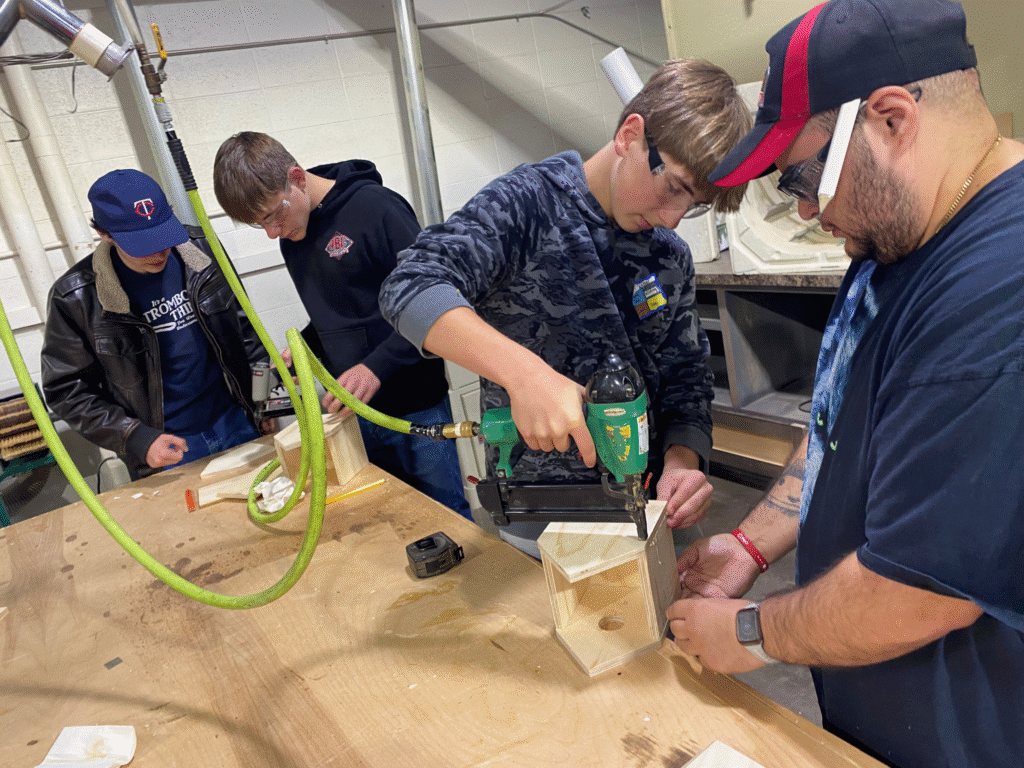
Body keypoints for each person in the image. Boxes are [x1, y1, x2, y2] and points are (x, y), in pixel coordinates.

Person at [665, 2, 1024, 767]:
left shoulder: (997, 293)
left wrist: (751, 633)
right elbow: (834, 423)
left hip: (970, 728)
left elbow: (923, 590)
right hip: (882, 703)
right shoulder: (899, 232)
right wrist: (748, 548)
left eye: (800, 174)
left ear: (891, 119)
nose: (804, 210)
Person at [378, 59, 751, 556]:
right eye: (674, 188)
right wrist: (524, 375)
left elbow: (686, 378)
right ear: (630, 134)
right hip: (542, 517)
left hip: (650, 509)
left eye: (695, 205)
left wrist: (683, 464)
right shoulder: (527, 205)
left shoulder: (668, 254)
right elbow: (411, 283)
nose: (674, 218)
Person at [212, 132, 471, 519]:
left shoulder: (376, 209)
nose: (271, 232)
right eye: (256, 224)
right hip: (353, 413)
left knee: (444, 514)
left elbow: (434, 304)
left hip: (415, 407)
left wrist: (376, 367)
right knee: (384, 517)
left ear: (297, 179)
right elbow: (338, 312)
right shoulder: (293, 235)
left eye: (272, 215)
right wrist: (305, 348)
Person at [42, 169, 269, 480]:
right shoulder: (75, 297)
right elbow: (67, 391)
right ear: (105, 234)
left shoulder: (201, 249)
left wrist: (265, 398)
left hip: (237, 419)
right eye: (143, 244)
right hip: (167, 448)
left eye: (164, 234)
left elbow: (244, 329)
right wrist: (134, 437)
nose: (160, 250)